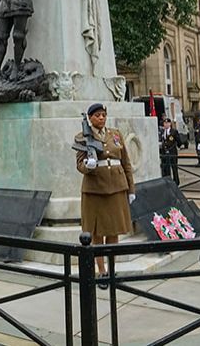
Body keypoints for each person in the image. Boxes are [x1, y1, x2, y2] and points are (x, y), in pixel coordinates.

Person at [74, 103, 135, 287]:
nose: (101, 118)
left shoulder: (115, 134)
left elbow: (126, 163)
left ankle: (112, 267)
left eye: (103, 115)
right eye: (97, 115)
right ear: (91, 118)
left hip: (116, 187)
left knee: (113, 231)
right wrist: (88, 166)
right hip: (95, 189)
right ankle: (101, 271)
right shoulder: (83, 136)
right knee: (97, 233)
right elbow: (79, 164)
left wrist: (131, 189)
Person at [159, 118, 180, 183]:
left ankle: (176, 181)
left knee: (174, 167)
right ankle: (167, 180)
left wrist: (178, 145)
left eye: (167, 123)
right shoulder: (163, 132)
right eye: (165, 123)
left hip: (172, 151)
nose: (166, 124)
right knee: (165, 168)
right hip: (164, 152)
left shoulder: (173, 131)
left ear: (170, 124)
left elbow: (178, 140)